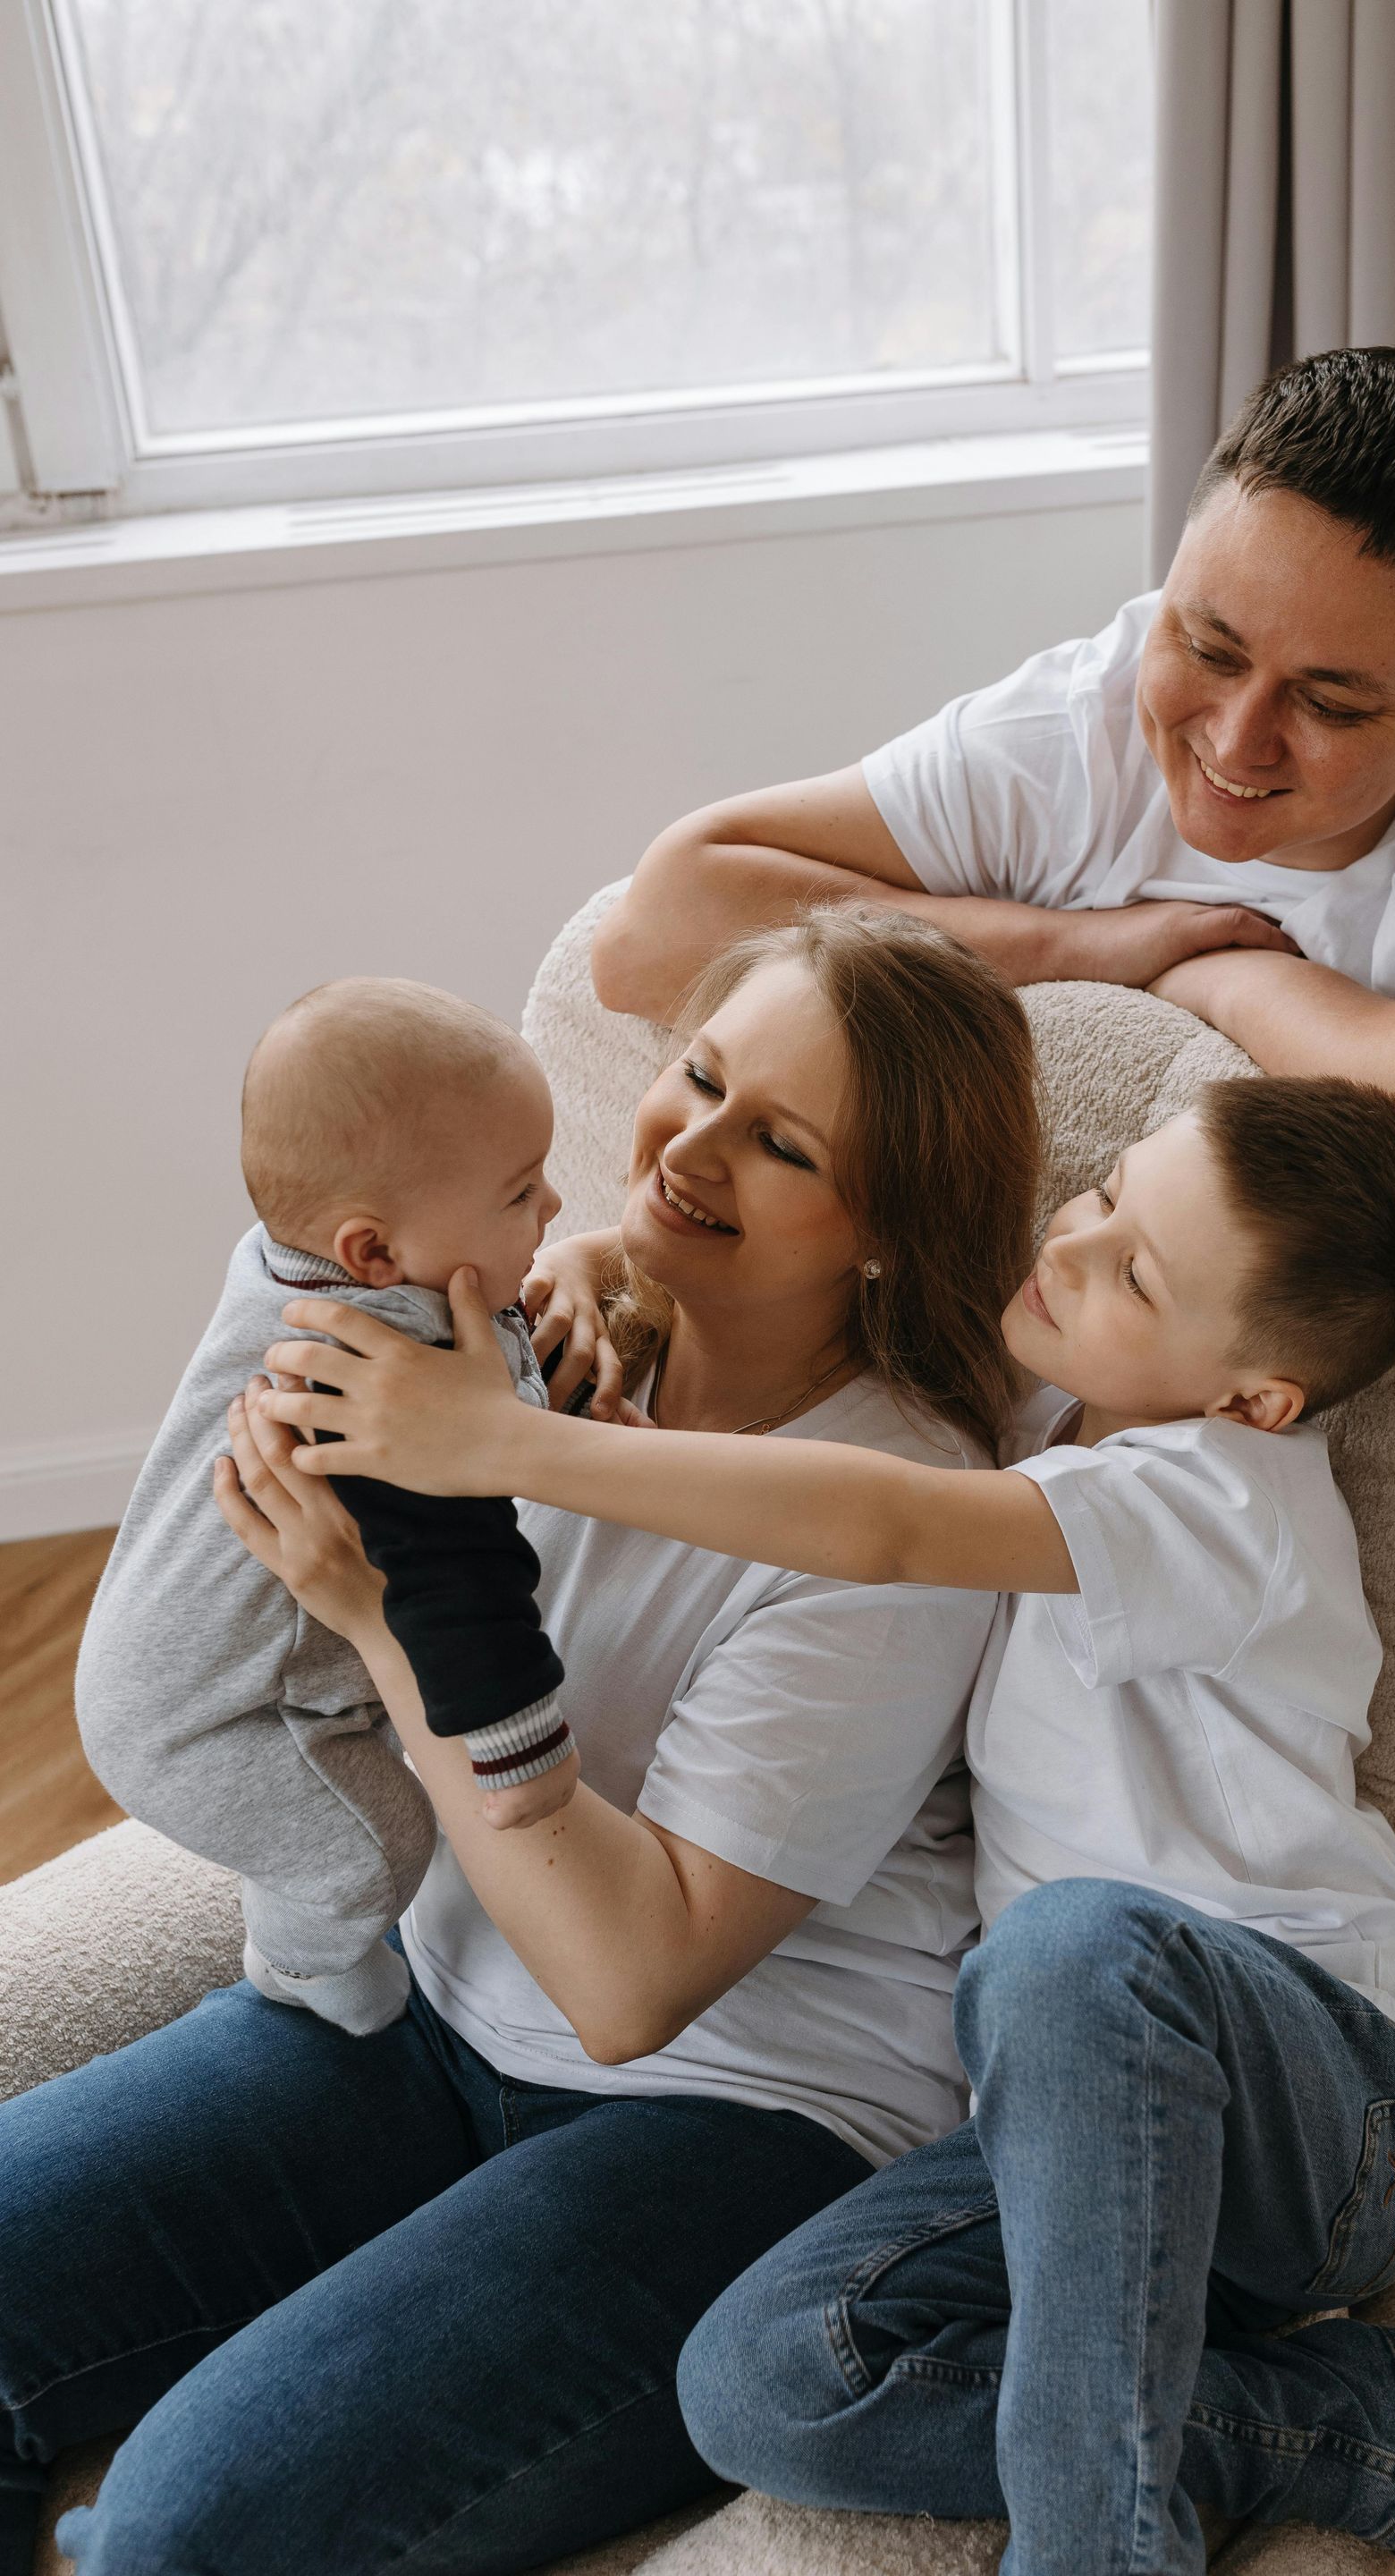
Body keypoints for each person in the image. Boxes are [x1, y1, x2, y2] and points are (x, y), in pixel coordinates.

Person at [252, 1074, 1395, 2574]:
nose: (1068, 1248)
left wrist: (501, 1448)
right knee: (762, 2378)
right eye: (1105, 1196)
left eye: (1135, 1271)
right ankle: (1358, 2435)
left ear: (1259, 1393)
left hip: (1325, 2117)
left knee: (1075, 1949)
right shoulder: (1038, 1403)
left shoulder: (1226, 1498)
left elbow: (876, 1519)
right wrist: (604, 1261)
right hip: (1090, 2129)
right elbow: (829, 1363)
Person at [0, 908, 1038, 2576]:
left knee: (192, 2529)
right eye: (697, 1078)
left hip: (723, 2119)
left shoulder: (897, 1527)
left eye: (777, 1143)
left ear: (887, 1233)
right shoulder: (520, 1342)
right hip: (429, 2013)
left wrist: (384, 1615)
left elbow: (632, 1988)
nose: (689, 1148)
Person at [591, 345, 1395, 1281]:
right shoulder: (1083, 720)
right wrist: (1076, 947)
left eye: (1329, 702)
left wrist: (1228, 979)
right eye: (1207, 647)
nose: (1234, 738)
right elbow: (654, 933)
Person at [76, 979, 579, 2044]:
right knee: (378, 1846)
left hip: (151, 1658)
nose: (557, 1212)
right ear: (371, 1257)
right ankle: (302, 1971)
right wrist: (527, 1762)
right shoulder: (378, 1381)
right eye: (522, 1192)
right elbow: (465, 1573)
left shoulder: (278, 1268)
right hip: (201, 1722)